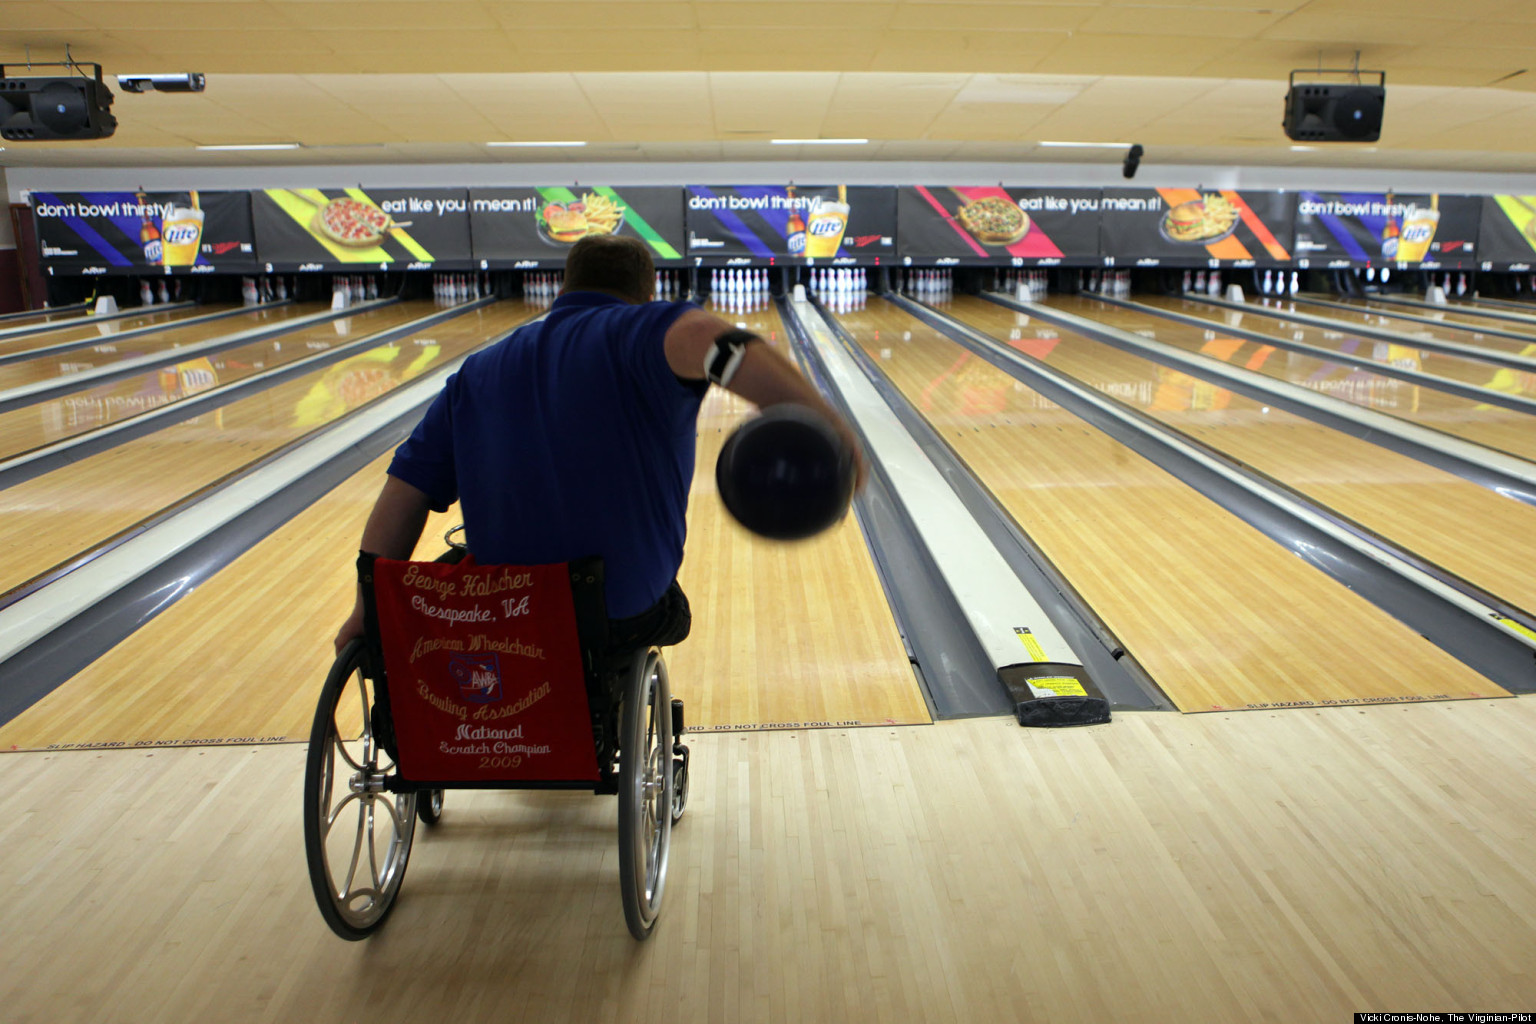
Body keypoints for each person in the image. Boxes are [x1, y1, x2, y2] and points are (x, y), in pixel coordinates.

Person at [333, 234, 865, 658]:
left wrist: (367, 606)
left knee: (460, 561)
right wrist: (830, 428)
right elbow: (712, 338)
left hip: (504, 611)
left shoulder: (477, 372)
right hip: (620, 606)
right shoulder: (643, 329)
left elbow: (403, 492)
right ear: (648, 292)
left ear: (562, 287)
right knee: (665, 610)